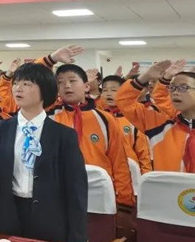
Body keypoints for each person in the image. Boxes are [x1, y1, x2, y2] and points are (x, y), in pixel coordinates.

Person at [0, 63, 88, 242]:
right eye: (16, 83)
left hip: (50, 219)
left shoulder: (63, 135)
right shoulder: (1, 129)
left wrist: (77, 238)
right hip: (9, 214)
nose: (18, 88)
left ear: (44, 90)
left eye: (27, 84)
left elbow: (75, 189)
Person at [51, 64, 134, 207]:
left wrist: (124, 202)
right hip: (60, 192)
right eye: (60, 82)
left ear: (86, 87)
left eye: (72, 81)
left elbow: (118, 161)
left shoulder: (105, 119)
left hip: (100, 191)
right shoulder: (50, 117)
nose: (67, 86)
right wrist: (51, 59)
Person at [116, 59, 195, 172]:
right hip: (167, 184)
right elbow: (124, 102)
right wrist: (145, 77)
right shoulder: (160, 125)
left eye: (183, 88)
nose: (176, 92)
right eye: (172, 88)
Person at [99, 74, 152, 174]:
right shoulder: (97, 118)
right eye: (105, 90)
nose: (108, 94)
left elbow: (143, 153)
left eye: (114, 90)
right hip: (105, 173)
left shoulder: (133, 119)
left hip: (130, 171)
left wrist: (146, 175)